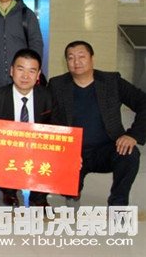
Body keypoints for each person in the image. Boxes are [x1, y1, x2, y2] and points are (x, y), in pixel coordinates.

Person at [49, 40, 146, 205]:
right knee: (69, 190)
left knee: (130, 154)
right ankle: (73, 193)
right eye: (71, 58)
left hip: (108, 148)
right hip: (73, 152)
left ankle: (118, 203)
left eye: (81, 56)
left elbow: (143, 102)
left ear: (92, 58)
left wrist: (133, 135)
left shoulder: (112, 81)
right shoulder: (56, 85)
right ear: (66, 62)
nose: (76, 62)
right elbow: (44, 115)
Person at [0, 48, 51, 206]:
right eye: (20, 69)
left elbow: (57, 129)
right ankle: (8, 191)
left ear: (38, 74)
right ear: (11, 71)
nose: (25, 76)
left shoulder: (48, 96)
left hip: (38, 148)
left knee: (54, 152)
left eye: (31, 71)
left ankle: (38, 196)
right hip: (7, 149)